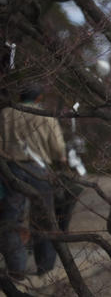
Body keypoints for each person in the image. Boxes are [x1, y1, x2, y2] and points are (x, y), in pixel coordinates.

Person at [0, 85, 68, 279]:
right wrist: (62, 162)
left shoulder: (6, 113)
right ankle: (45, 268)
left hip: (11, 169)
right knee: (44, 219)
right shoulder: (45, 115)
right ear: (38, 98)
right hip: (40, 171)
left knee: (11, 218)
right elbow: (57, 147)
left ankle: (17, 268)